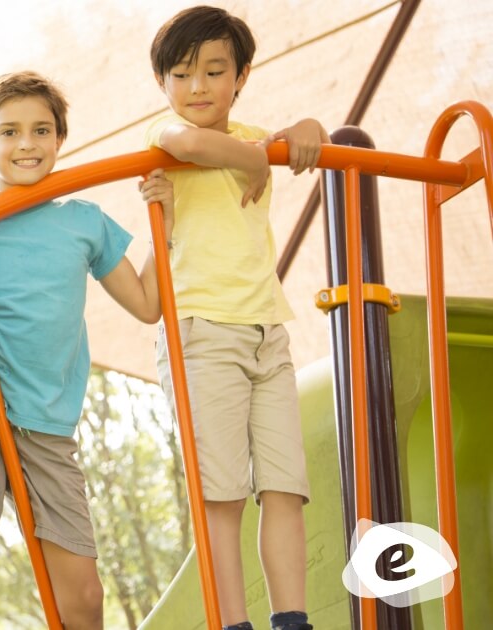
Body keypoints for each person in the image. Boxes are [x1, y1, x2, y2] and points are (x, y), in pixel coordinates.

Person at [0, 70, 175, 630]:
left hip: (47, 417)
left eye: (41, 131)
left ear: (60, 140)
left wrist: (168, 222)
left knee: (85, 596)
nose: (26, 144)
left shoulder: (83, 222)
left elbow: (145, 305)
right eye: (9, 132)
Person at [147, 7, 328, 630]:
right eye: (181, 74)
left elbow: (300, 133)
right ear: (164, 85)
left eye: (214, 71)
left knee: (285, 487)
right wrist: (252, 160)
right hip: (202, 332)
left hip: (265, 333)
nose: (197, 87)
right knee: (219, 495)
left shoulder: (256, 134)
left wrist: (306, 125)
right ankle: (232, 624)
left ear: (241, 76)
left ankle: (291, 619)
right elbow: (192, 142)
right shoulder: (165, 137)